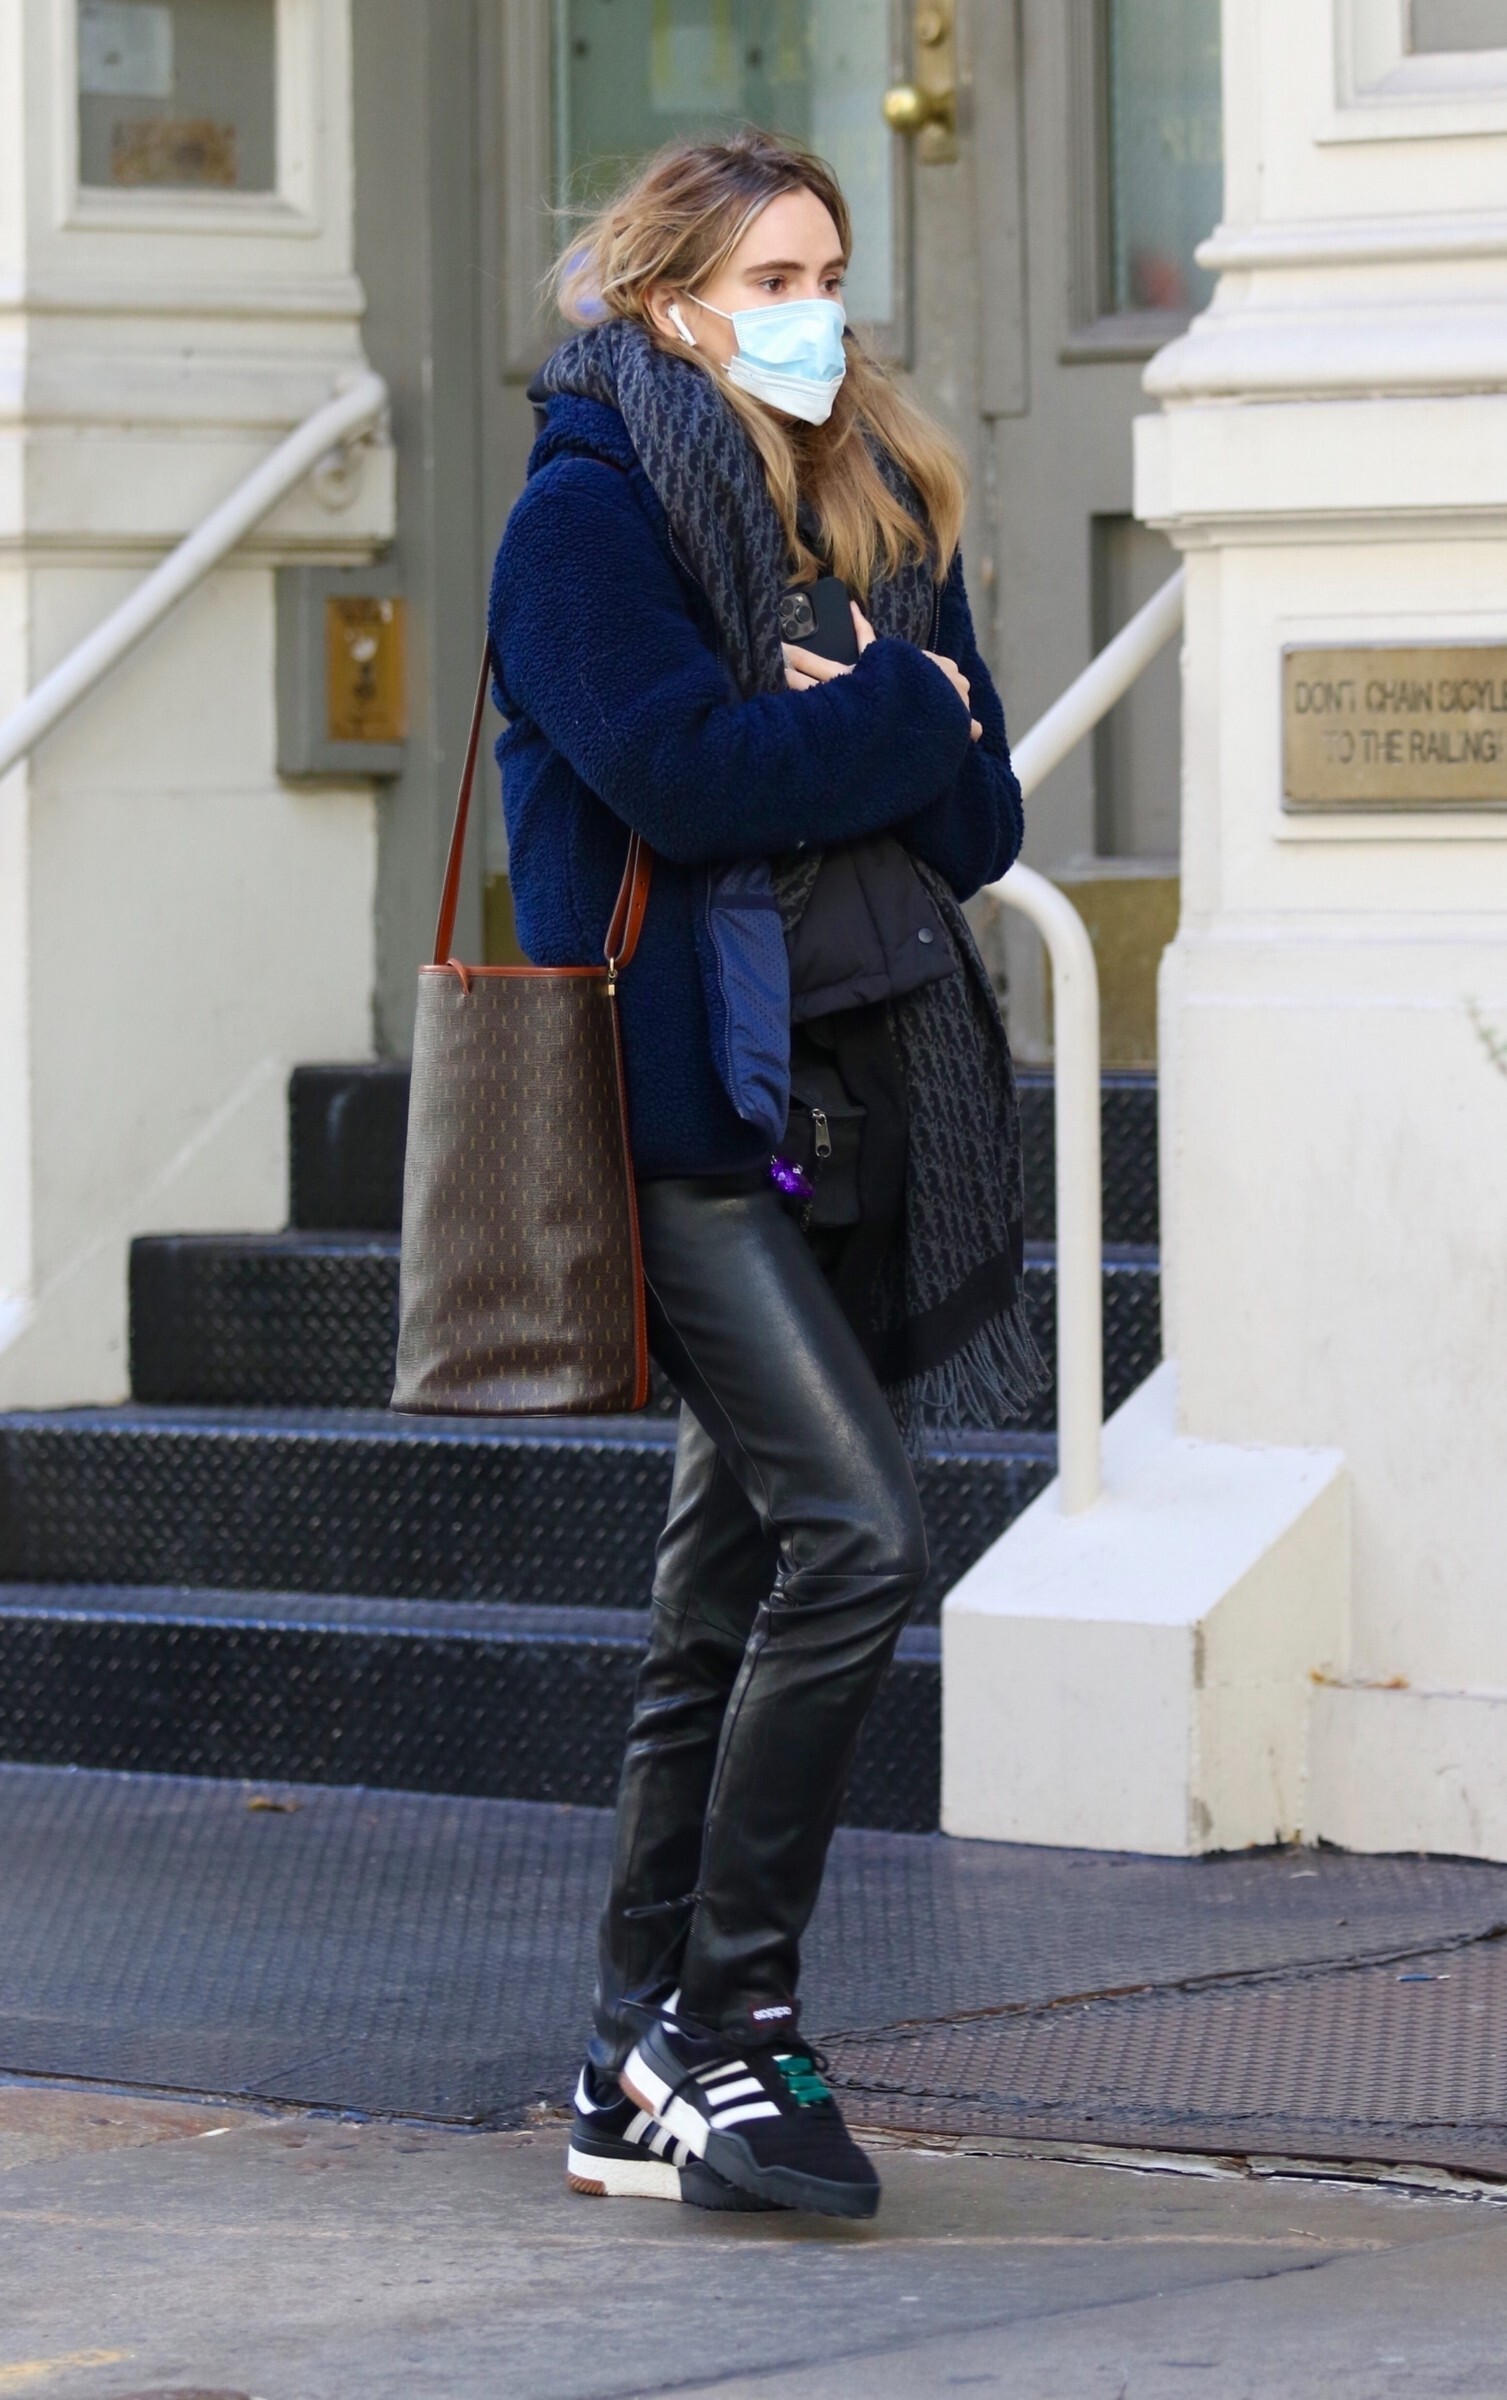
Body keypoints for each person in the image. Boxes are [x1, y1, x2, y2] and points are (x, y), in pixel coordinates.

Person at [488, 128, 1044, 2222]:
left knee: (720, 1594)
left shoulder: (882, 497)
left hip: (871, 1101)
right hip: (687, 1119)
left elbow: (979, 820)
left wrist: (881, 709)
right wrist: (899, 712)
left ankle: (624, 2063)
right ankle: (725, 2025)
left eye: (828, 271)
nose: (815, 310)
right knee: (860, 1539)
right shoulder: (584, 516)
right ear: (668, 302)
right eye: (772, 278)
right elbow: (681, 776)